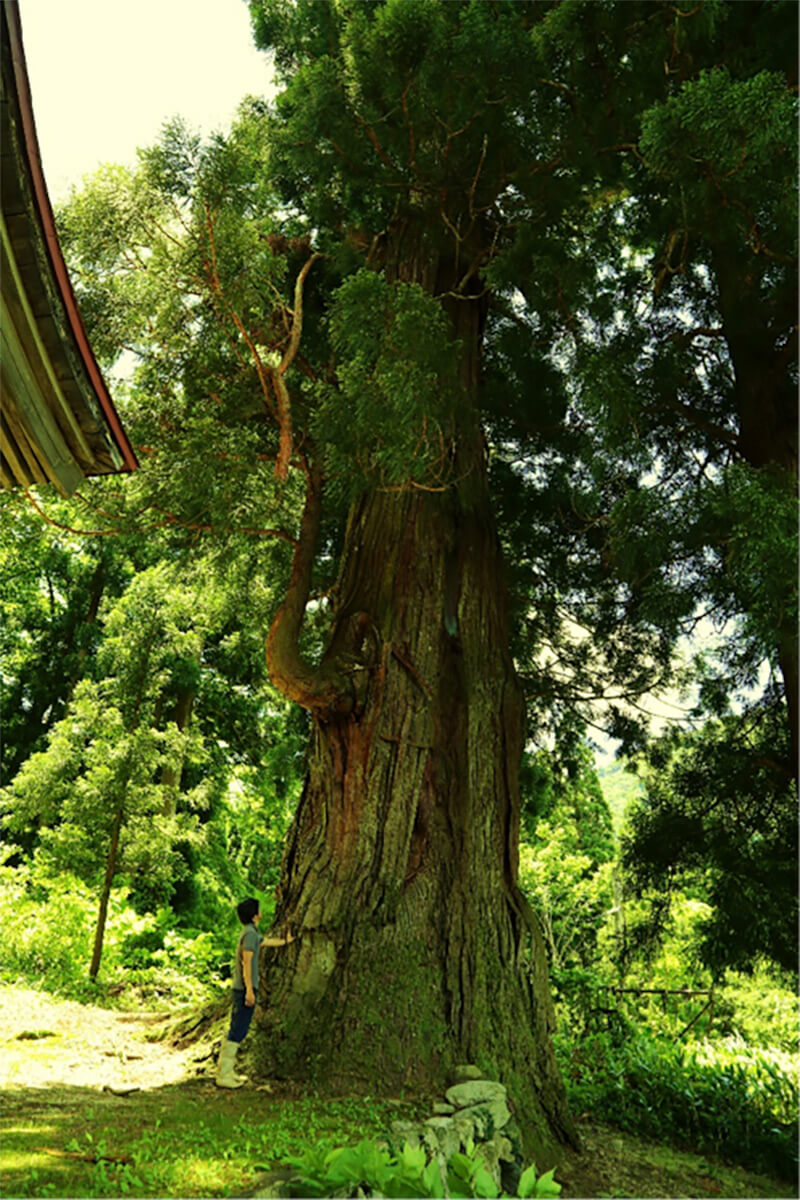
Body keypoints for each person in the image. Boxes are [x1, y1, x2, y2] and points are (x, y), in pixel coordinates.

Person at [215, 896, 294, 1088]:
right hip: (244, 988)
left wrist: (285, 941)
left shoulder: (251, 932)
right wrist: (249, 990)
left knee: (238, 1028)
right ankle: (224, 1075)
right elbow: (247, 962)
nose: (261, 911)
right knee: (239, 1029)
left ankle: (227, 1072)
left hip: (244, 988)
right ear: (254, 914)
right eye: (258, 908)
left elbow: (265, 942)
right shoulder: (249, 934)